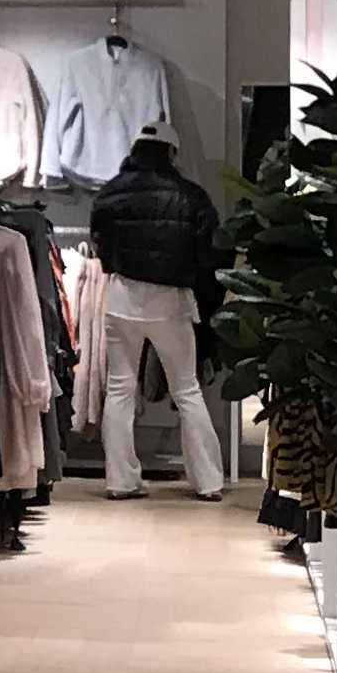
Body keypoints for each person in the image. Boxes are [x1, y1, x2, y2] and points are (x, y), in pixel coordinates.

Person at [85, 133, 229, 502]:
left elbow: (101, 244)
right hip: (170, 300)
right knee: (187, 390)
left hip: (121, 295)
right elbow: (209, 253)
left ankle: (120, 480)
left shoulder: (110, 192)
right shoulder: (190, 196)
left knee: (120, 389)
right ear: (171, 151)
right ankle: (208, 481)